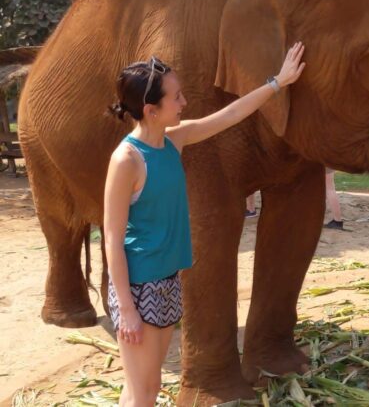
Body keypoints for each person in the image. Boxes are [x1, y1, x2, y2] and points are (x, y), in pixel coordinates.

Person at [104, 42, 305, 406]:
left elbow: (229, 115)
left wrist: (278, 82)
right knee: (143, 393)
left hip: (167, 279)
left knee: (141, 389)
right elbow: (113, 240)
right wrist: (128, 310)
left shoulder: (172, 141)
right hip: (139, 286)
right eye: (176, 98)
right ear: (151, 110)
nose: (183, 104)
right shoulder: (127, 160)